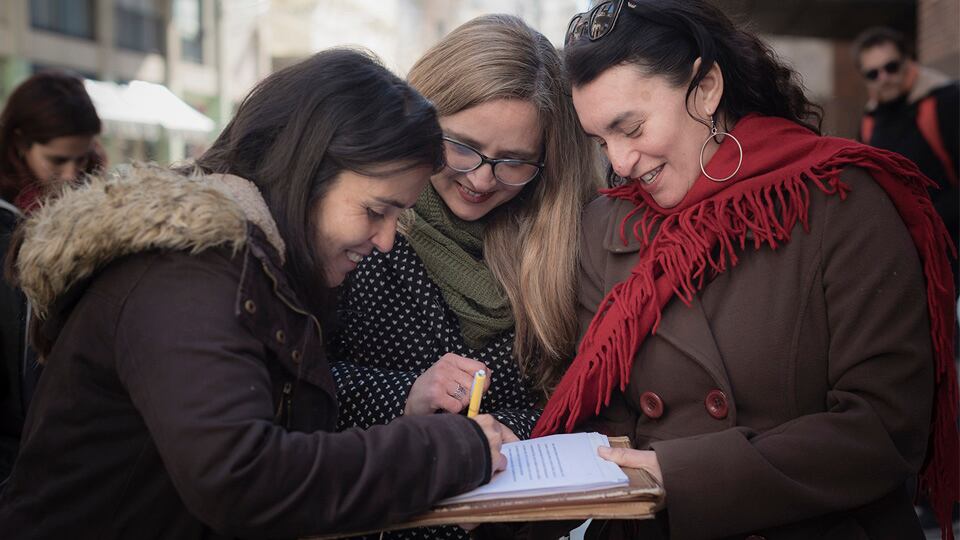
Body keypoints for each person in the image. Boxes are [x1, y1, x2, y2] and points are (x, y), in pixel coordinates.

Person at [0, 49, 513, 539]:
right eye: (376, 211)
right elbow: (239, 475)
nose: (384, 241)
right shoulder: (188, 271)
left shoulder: (251, 266)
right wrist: (442, 451)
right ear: (306, 175)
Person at [532, 1, 959, 539]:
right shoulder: (604, 228)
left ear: (706, 88)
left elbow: (884, 428)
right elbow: (608, 428)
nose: (619, 162)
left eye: (632, 127)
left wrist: (685, 475)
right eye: (601, 141)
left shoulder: (841, 199)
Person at [329, 15, 601, 539]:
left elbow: (573, 402)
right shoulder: (363, 220)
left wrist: (504, 437)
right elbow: (295, 383)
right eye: (462, 147)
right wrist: (407, 396)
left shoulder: (563, 239)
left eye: (513, 162)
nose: (480, 179)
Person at [0, 70, 104, 481]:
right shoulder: (8, 226)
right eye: (57, 160)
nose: (71, 174)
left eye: (82, 157)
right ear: (20, 143)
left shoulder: (97, 205)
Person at [853, 26, 959, 288]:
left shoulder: (946, 102)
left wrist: (928, 216)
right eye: (873, 73)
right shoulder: (869, 122)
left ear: (908, 61)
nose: (883, 78)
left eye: (891, 67)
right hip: (914, 257)